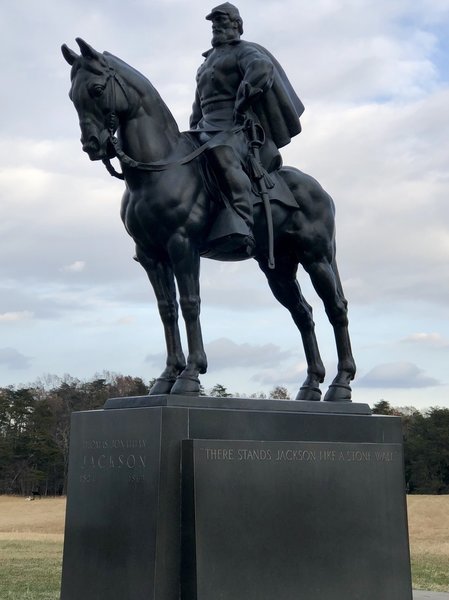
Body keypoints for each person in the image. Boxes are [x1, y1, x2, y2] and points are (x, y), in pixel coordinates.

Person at [190, 3, 305, 249]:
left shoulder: (243, 51)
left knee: (221, 151)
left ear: (236, 25)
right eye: (214, 23)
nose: (216, 26)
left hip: (236, 127)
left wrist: (244, 98)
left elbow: (262, 68)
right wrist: (192, 128)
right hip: (205, 126)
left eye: (221, 22)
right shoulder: (205, 63)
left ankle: (242, 219)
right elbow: (198, 103)